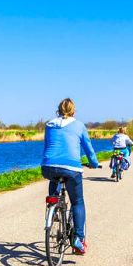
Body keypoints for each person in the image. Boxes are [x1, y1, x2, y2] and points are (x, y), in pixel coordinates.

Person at [41, 98, 100, 255]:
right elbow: (88, 148)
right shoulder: (79, 125)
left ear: (58, 110)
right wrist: (94, 163)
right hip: (71, 168)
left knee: (54, 176)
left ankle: (52, 207)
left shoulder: (49, 125)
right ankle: (79, 240)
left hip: (48, 165)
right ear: (73, 111)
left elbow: (47, 145)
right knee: (77, 202)